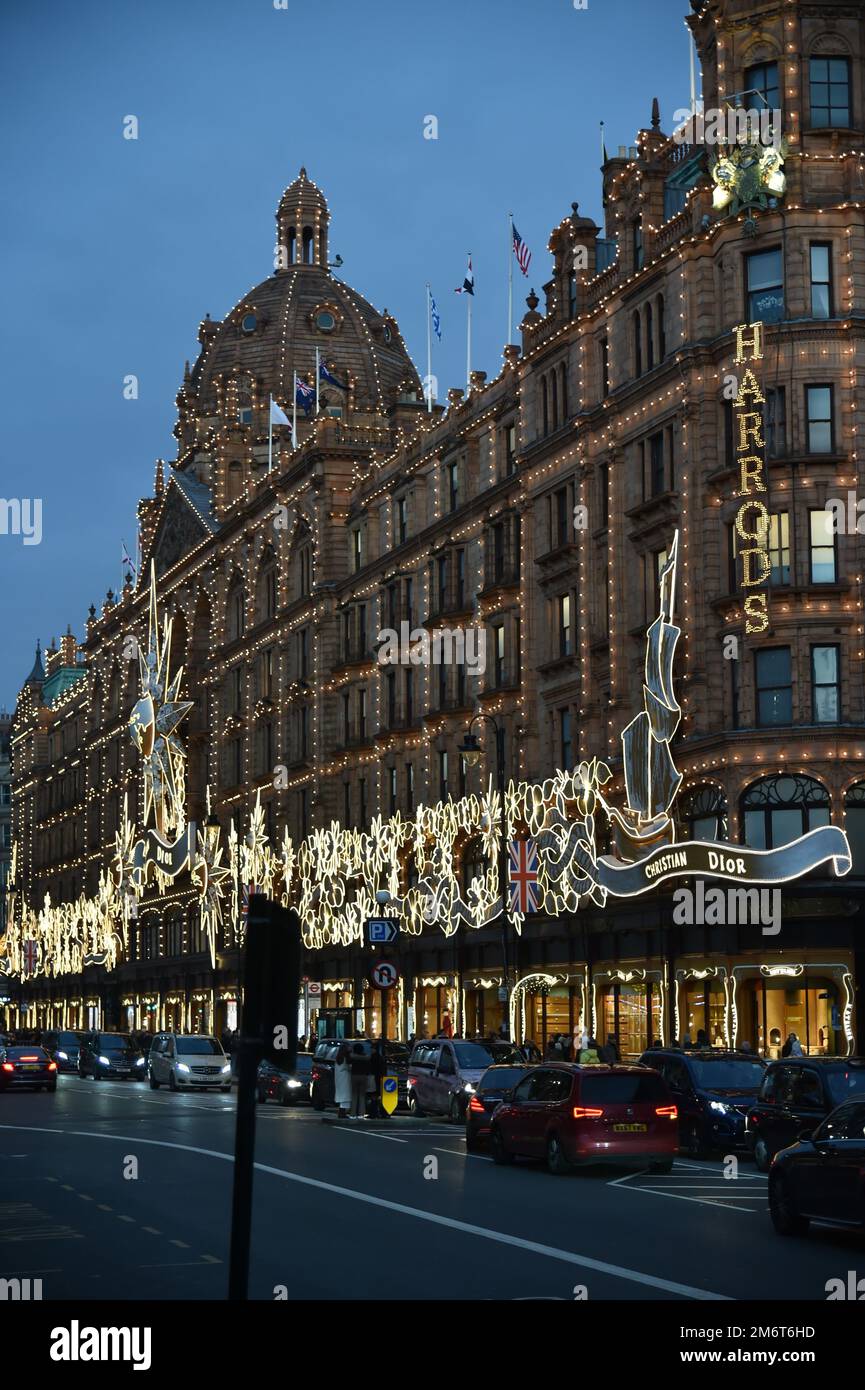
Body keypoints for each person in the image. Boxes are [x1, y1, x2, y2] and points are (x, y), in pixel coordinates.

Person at [349, 1042, 370, 1118]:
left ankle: (353, 1113)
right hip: (363, 1076)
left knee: (354, 1095)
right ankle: (361, 1113)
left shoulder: (352, 1057)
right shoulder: (366, 1058)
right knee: (362, 1096)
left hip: (354, 1075)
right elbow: (368, 1068)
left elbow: (349, 1064)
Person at [333, 1041, 352, 1119]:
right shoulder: (345, 1058)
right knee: (346, 1095)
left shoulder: (338, 1058)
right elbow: (348, 1067)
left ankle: (341, 1112)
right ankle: (342, 1112)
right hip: (345, 1077)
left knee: (342, 1094)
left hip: (339, 1078)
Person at [368, 1040, 386, 1118]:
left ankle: (374, 1113)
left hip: (375, 1078)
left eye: (372, 1048)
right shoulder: (380, 1058)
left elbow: (372, 1068)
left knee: (374, 1096)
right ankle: (378, 1112)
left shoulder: (373, 1057)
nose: (371, 1050)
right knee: (377, 1096)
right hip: (379, 1078)